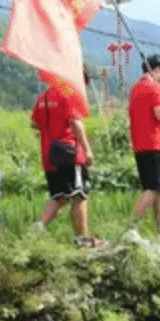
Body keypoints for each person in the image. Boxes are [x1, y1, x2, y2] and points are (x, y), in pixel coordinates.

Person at [121, 55, 160, 245]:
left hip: (140, 145)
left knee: (158, 189)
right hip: (154, 146)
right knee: (153, 188)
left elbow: (148, 123)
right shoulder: (155, 88)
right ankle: (131, 228)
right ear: (156, 69)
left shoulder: (135, 89)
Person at [29, 79, 101, 247]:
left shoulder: (43, 96)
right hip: (69, 154)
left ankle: (37, 228)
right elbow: (75, 122)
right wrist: (87, 150)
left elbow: (34, 123)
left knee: (59, 196)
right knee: (79, 195)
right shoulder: (69, 93)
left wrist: (51, 129)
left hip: (49, 154)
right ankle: (82, 239)